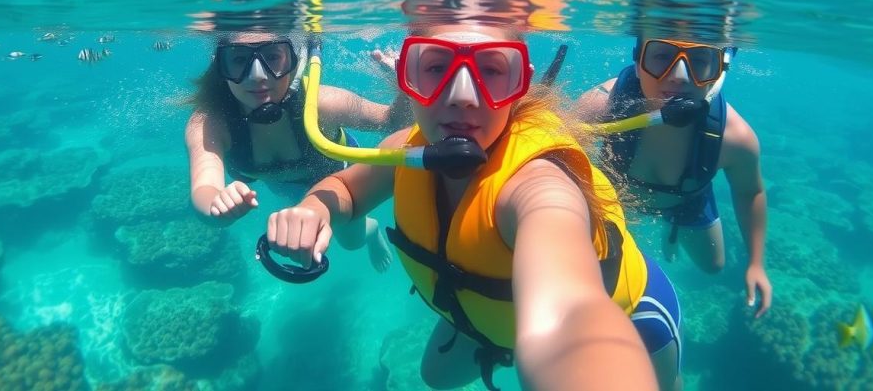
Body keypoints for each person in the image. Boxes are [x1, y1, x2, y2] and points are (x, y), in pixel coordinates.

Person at [266, 24, 680, 391]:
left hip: (634, 317)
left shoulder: (540, 186)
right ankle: (496, 331)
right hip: (483, 305)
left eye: (491, 71)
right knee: (435, 377)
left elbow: (570, 310)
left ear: (520, 85)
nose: (462, 96)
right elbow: (346, 187)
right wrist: (314, 209)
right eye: (435, 68)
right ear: (407, 78)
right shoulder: (405, 150)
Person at [575, 37, 772, 318]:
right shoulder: (600, 106)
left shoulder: (735, 139)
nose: (679, 77)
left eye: (701, 60)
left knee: (713, 266)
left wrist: (756, 263)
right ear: (638, 59)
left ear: (721, 69)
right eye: (661, 56)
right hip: (615, 197)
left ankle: (672, 227)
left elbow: (750, 192)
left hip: (685, 201)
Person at [185, 31, 409, 272]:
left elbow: (392, 121)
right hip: (285, 186)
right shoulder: (209, 123)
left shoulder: (323, 103)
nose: (257, 76)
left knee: (351, 242)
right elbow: (203, 186)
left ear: (293, 61)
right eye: (239, 60)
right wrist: (214, 206)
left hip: (338, 177)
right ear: (221, 66)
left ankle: (372, 229)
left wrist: (406, 86)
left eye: (272, 57)